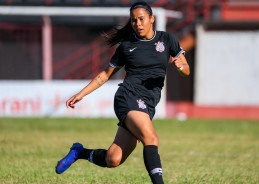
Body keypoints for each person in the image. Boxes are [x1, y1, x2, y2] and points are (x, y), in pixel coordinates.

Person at [55, 1, 190, 184]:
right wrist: (81, 94)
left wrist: (181, 67)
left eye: (141, 19)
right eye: (134, 21)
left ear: (152, 19)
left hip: (148, 104)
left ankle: (80, 152)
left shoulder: (167, 39)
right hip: (128, 97)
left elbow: (186, 68)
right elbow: (105, 75)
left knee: (113, 159)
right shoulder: (127, 46)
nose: (138, 24)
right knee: (151, 137)